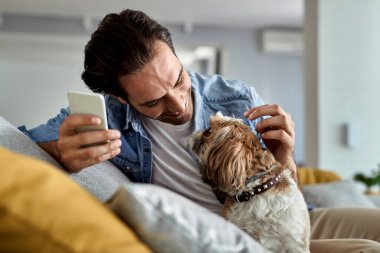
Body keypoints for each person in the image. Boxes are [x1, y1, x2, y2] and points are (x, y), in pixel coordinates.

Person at [25, 9, 380, 253]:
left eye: (178, 79)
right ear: (120, 97)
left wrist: (284, 157)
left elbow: (285, 193)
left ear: (178, 56)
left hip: (295, 219)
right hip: (235, 236)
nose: (178, 104)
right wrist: (58, 151)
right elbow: (18, 141)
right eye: (153, 102)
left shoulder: (236, 98)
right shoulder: (107, 119)